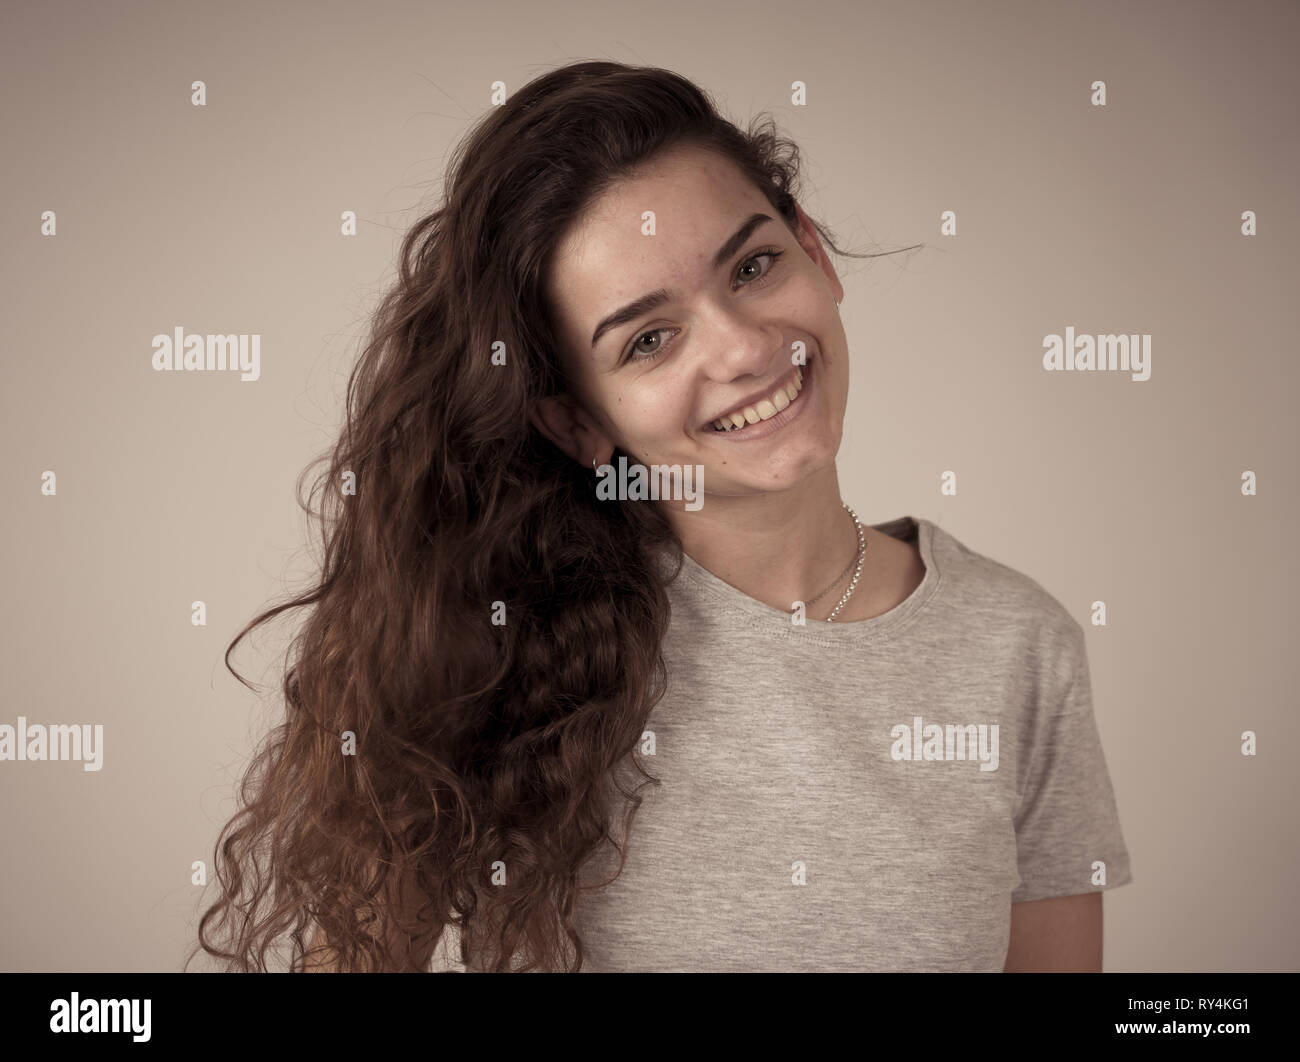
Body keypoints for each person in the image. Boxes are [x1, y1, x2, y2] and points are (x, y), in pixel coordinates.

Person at [189, 61, 1131, 974]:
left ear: (816, 250)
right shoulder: (489, 648)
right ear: (576, 421)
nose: (741, 347)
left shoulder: (1019, 645)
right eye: (649, 339)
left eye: (754, 265)